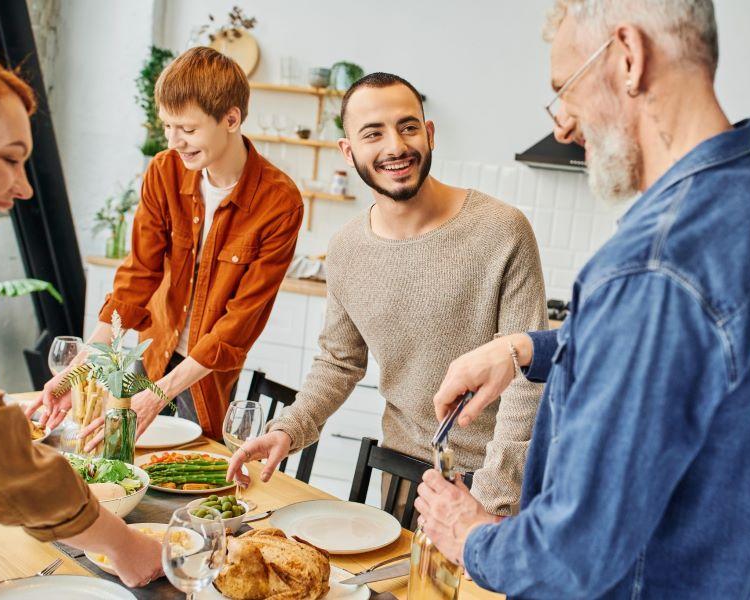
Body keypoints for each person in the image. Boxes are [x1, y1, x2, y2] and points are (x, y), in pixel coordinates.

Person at [416, 1, 750, 598]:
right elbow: (687, 355)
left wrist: (469, 532)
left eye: (565, 87)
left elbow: (568, 558)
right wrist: (523, 351)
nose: (562, 122)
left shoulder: (652, 265)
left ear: (630, 57)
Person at [227, 73, 547, 519]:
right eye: (373, 133)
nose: (395, 146)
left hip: (494, 480)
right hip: (403, 473)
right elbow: (339, 361)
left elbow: (526, 378)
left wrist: (491, 505)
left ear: (429, 133)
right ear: (348, 150)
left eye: (408, 126)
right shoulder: (346, 249)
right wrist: (289, 427)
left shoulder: (502, 230)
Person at [29, 47, 304, 446]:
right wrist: (79, 371)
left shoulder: (279, 202)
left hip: (205, 373)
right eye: (167, 126)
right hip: (151, 350)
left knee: (188, 469)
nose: (174, 141)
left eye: (187, 130)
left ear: (231, 119)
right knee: (115, 455)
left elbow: (239, 324)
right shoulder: (164, 172)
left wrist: (159, 394)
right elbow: (138, 277)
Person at [0, 57, 162, 588]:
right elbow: (4, 464)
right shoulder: (161, 180)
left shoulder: (272, 199)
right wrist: (125, 544)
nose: (23, 189)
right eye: (9, 158)